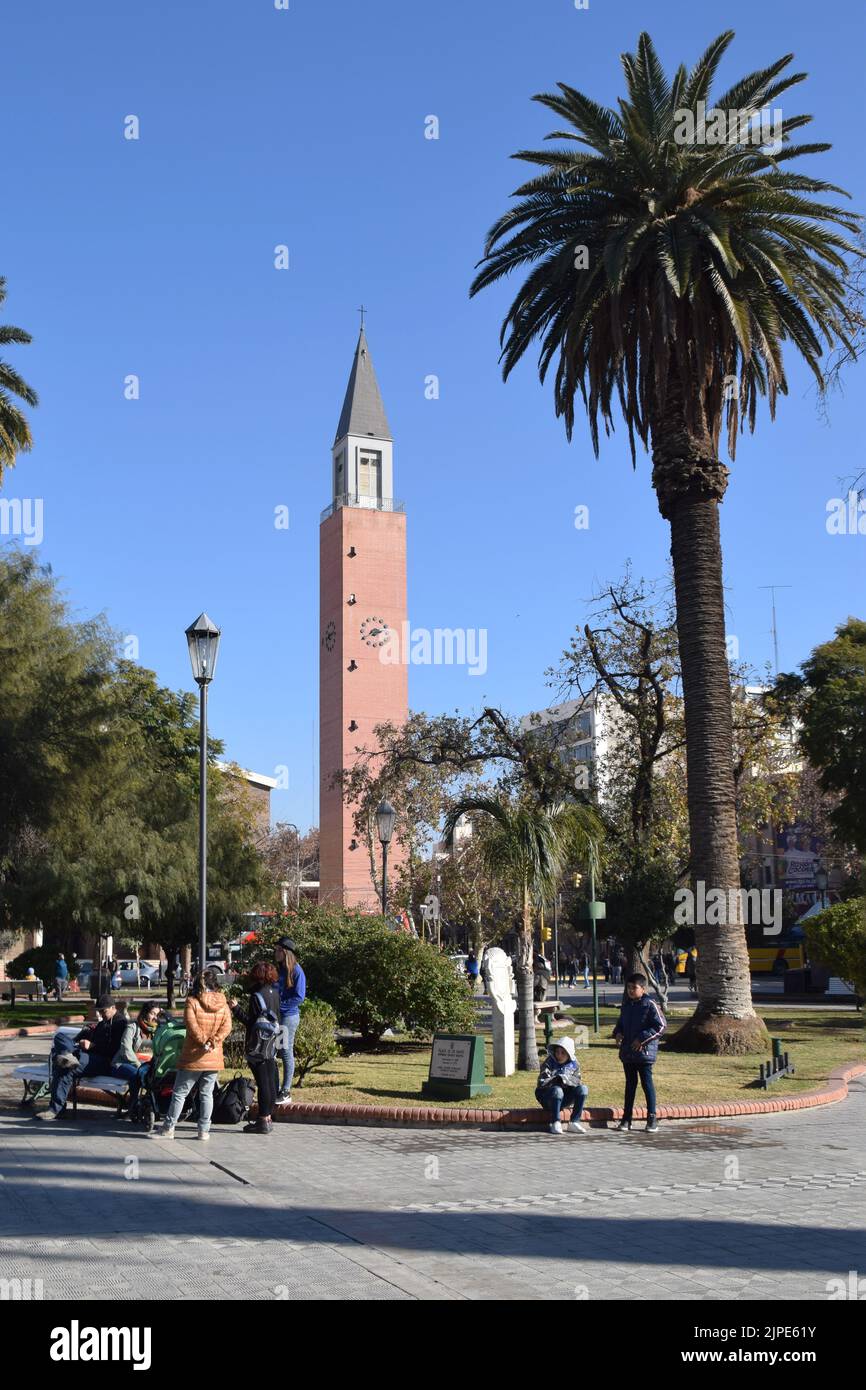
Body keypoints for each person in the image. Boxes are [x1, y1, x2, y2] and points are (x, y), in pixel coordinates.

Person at [152, 969, 232, 1142]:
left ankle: (168, 1128)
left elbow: (191, 1026)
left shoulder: (192, 1001)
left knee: (180, 1093)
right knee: (207, 1094)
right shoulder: (223, 1004)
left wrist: (204, 1042)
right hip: (214, 1056)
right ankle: (204, 1131)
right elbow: (227, 1027)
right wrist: (213, 1041)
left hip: (193, 1056)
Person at [37, 995, 126, 1120]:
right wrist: (86, 1036)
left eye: (103, 1011)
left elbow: (114, 1050)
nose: (101, 1014)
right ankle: (67, 1055)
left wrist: (92, 1046)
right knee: (60, 1038)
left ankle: (56, 1109)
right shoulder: (103, 1022)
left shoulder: (120, 1024)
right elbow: (88, 1037)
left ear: (113, 1007)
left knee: (64, 1064)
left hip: (104, 1061)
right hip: (87, 1056)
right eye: (99, 1011)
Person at [231, 962, 282, 1135]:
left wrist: (236, 1009)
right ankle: (267, 1117)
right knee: (270, 1081)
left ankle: (262, 1119)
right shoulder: (275, 993)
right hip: (271, 1043)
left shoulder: (256, 996)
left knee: (263, 1083)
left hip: (258, 1045)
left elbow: (251, 1022)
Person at [612, 973, 666, 1134]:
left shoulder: (650, 1004)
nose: (630, 990)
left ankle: (652, 1118)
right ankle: (626, 1118)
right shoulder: (627, 1005)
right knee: (630, 1085)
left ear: (643, 989)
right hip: (628, 1054)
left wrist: (642, 1039)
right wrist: (618, 1033)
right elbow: (620, 1024)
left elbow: (661, 1027)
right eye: (628, 987)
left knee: (647, 1084)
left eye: (633, 988)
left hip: (644, 1054)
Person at [111, 1001, 161, 1112]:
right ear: (145, 1013)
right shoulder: (132, 1027)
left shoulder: (157, 1030)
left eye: (157, 1015)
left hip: (145, 1065)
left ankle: (151, 1104)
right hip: (123, 1064)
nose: (155, 1017)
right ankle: (133, 1105)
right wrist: (139, 1065)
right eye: (152, 1013)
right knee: (137, 1074)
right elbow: (125, 1049)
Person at [274, 937, 306, 1103]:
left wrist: (281, 1007)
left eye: (278, 950)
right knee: (274, 1052)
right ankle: (275, 1088)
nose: (275, 953)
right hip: (277, 1017)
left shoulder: (297, 971)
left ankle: (285, 1091)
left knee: (285, 1051)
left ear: (286, 952)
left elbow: (299, 997)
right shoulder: (279, 970)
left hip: (288, 1017)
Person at [535, 1038, 588, 1135]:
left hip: (565, 1098)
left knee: (583, 1089)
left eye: (563, 1053)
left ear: (569, 1054)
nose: (559, 1055)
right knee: (557, 1090)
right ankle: (555, 1122)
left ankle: (574, 1122)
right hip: (548, 1098)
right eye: (557, 1052)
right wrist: (556, 1080)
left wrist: (565, 1079)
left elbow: (578, 1081)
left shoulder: (574, 1064)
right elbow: (542, 1083)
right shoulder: (548, 1063)